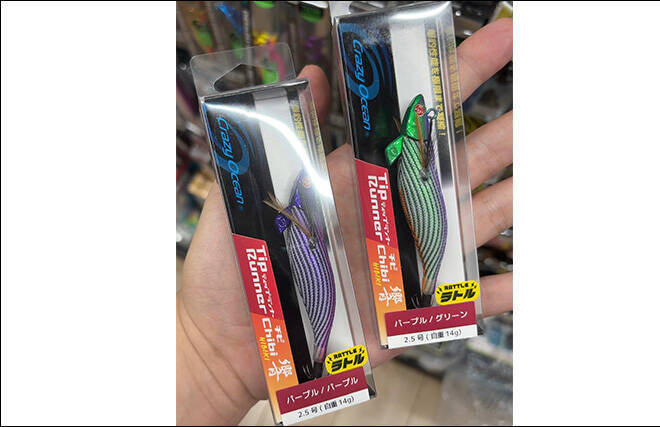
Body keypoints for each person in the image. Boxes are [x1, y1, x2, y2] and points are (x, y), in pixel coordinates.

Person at [177, 18, 513, 426]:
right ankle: (329, 349)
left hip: (380, 219)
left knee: (428, 234)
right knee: (321, 297)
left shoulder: (402, 148)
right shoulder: (303, 211)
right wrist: (203, 357)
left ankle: (414, 295)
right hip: (312, 268)